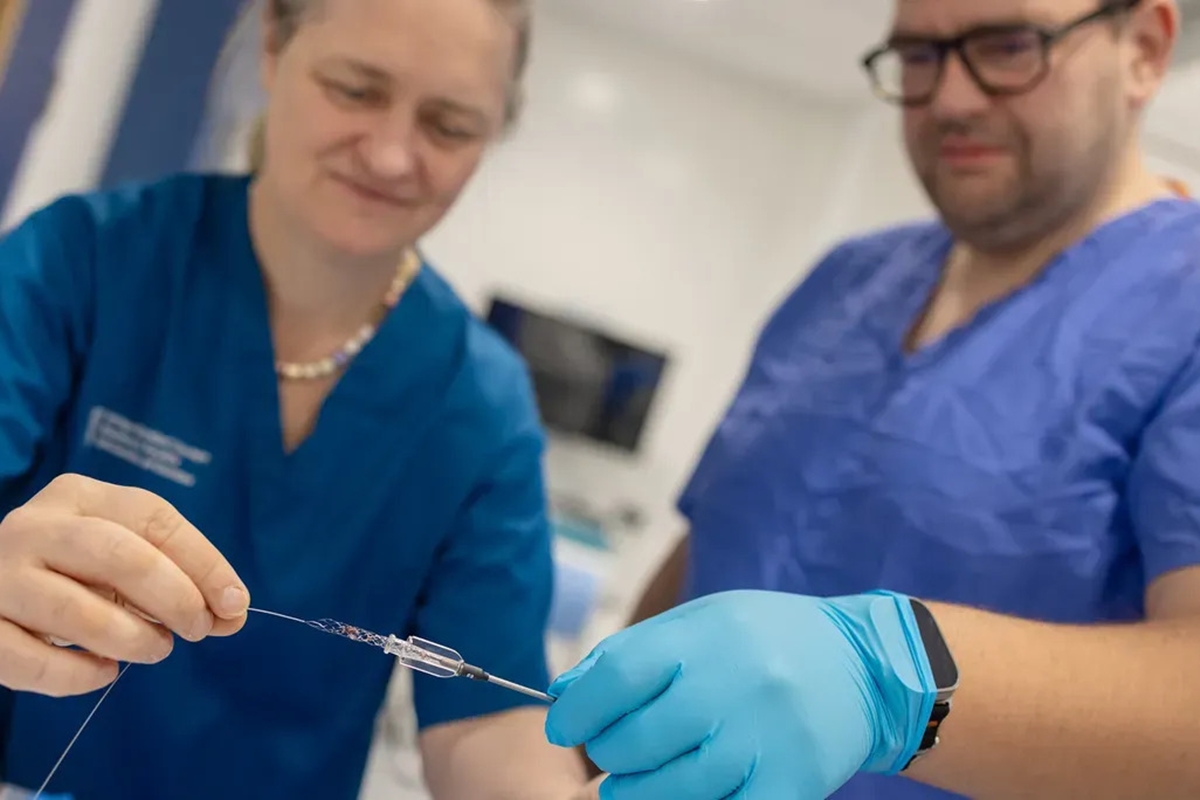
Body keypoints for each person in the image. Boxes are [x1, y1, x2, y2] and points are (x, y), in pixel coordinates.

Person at [546, 0, 1200, 798]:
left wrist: (888, 673)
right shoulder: (843, 284)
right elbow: (713, 545)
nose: (950, 98)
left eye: (1008, 46)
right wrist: (583, 752)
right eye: (919, 56)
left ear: (1144, 49)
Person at [0, 0, 589, 798]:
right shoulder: (84, 263)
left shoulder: (481, 408)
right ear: (274, 47)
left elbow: (486, 720)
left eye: (448, 126)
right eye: (355, 89)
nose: (390, 156)